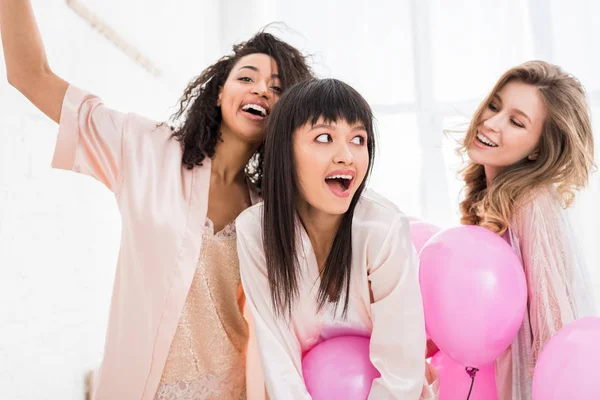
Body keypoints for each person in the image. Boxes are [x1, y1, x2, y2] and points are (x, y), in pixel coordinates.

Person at [0, 1, 313, 398]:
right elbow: (29, 75)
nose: (260, 90)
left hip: (229, 389)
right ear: (219, 93)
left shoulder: (271, 213)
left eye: (277, 88)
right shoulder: (145, 149)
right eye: (247, 77)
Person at [237, 78, 439, 399]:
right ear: (284, 150)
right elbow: (277, 358)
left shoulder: (383, 229)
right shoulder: (254, 231)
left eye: (358, 139)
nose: (347, 155)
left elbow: (401, 369)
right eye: (325, 137)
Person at [457, 60, 596, 399]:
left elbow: (555, 329)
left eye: (516, 122)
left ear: (538, 150)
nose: (490, 123)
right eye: (494, 105)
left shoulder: (531, 202)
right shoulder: (491, 200)